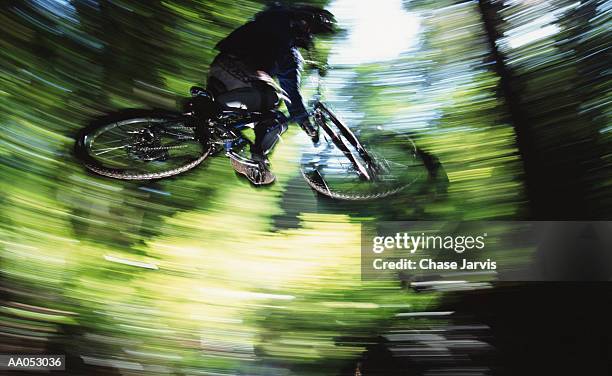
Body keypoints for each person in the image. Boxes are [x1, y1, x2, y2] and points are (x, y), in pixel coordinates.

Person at [206, 3, 336, 185]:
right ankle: (248, 155)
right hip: (233, 68)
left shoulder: (289, 55)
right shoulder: (278, 20)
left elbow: (293, 92)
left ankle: (244, 154)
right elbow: (272, 19)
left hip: (231, 76)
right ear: (303, 19)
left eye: (312, 32)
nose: (310, 35)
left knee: (275, 119)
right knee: (273, 100)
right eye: (310, 29)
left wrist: (304, 122)